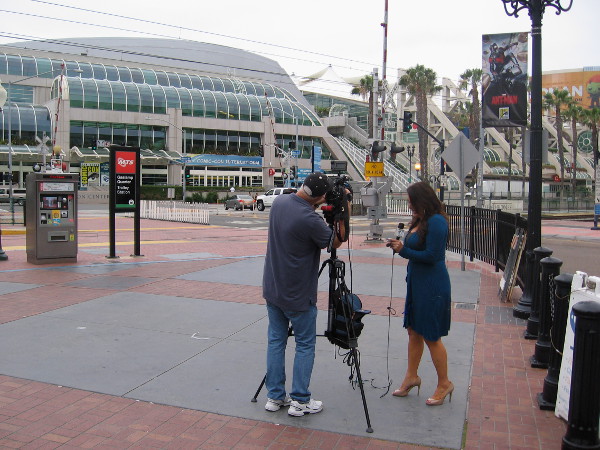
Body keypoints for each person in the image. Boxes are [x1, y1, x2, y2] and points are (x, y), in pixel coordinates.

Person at [262, 172, 349, 417]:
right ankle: (300, 400)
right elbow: (336, 241)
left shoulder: (280, 202)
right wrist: (344, 210)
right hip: (298, 294)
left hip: (273, 287)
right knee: (304, 345)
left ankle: (275, 396)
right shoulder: (309, 220)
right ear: (320, 196)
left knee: (276, 341)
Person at [386, 181, 453, 406]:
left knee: (431, 336)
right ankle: (411, 377)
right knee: (413, 331)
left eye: (411, 201)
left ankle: (444, 383)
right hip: (416, 284)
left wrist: (403, 250)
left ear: (422, 200)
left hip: (432, 286)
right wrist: (400, 245)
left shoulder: (436, 222)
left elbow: (433, 255)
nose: (409, 204)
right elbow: (416, 249)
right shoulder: (421, 220)